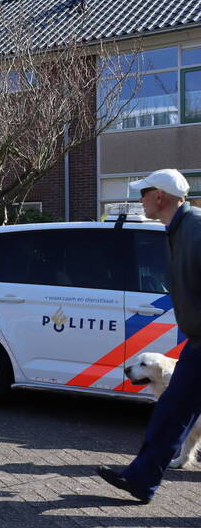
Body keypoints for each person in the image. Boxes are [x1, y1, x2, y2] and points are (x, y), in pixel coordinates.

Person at [97, 169, 201, 504]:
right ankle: (141, 480)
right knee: (171, 410)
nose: (140, 198)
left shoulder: (196, 228)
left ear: (160, 197)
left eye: (144, 192)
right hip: (198, 343)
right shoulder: (178, 229)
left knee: (173, 409)